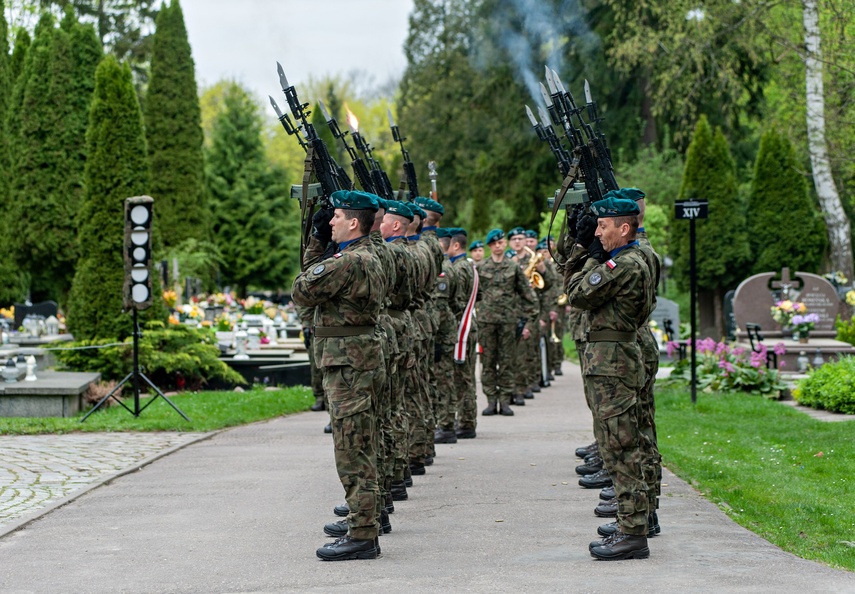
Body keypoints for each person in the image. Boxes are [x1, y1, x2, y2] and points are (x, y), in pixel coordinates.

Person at [291, 189, 385, 562]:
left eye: (336, 216)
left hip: (348, 366)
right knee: (361, 443)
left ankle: (363, 535)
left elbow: (302, 289)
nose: (330, 222)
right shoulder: (365, 255)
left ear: (353, 222)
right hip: (356, 361)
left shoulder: (347, 263)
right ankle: (364, 527)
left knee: (352, 449)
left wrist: (316, 241)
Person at [566, 196, 654, 561]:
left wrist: (590, 255)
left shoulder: (624, 264)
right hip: (613, 359)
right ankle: (630, 521)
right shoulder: (629, 260)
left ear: (625, 228)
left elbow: (577, 293)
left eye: (603, 226)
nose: (598, 232)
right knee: (619, 443)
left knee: (620, 446)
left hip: (613, 362)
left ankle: (633, 531)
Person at [477, 229, 538, 416]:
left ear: (504, 244)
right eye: (494, 243)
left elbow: (528, 296)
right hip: (486, 322)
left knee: (506, 362)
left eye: (500, 242)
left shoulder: (514, 268)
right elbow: (473, 295)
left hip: (507, 322)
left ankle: (504, 400)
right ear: (489, 246)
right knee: (487, 362)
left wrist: (528, 322)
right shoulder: (481, 268)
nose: (497, 246)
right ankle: (491, 401)